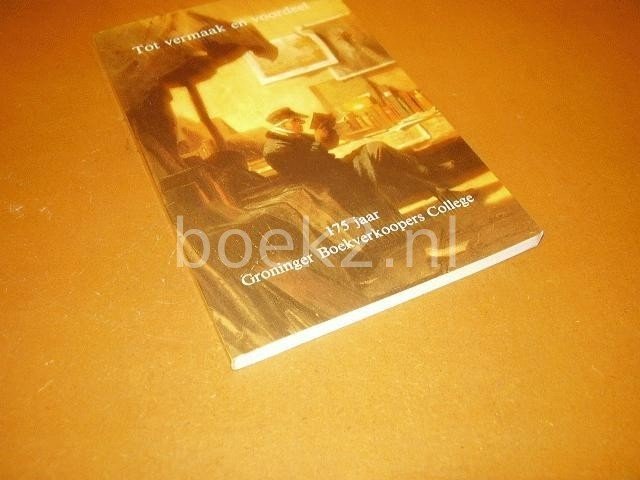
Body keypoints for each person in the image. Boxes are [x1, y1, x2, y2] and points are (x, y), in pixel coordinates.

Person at [262, 107, 451, 205]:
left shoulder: (296, 136)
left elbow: (330, 145)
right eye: (295, 121)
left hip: (337, 169)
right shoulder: (274, 150)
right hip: (330, 181)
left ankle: (428, 176)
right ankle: (431, 178)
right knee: (380, 160)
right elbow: (308, 170)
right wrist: (318, 141)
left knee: (375, 148)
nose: (300, 124)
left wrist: (329, 132)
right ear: (281, 125)